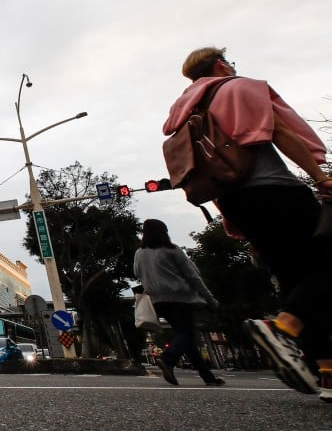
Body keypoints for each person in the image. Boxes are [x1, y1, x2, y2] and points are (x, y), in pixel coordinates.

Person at [164, 47, 332, 401]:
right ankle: (282, 327)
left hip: (237, 201)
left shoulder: (186, 109)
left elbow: (209, 170)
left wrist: (233, 220)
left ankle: (325, 372)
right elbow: (280, 132)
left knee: (295, 280)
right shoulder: (238, 87)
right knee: (323, 266)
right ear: (221, 65)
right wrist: (319, 177)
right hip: (276, 190)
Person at [132, 219, 224, 387]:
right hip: (179, 298)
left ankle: (207, 376)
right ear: (164, 232)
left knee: (185, 337)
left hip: (157, 301)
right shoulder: (172, 250)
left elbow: (136, 272)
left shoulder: (140, 253)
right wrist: (210, 299)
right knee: (187, 334)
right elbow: (193, 276)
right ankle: (168, 359)